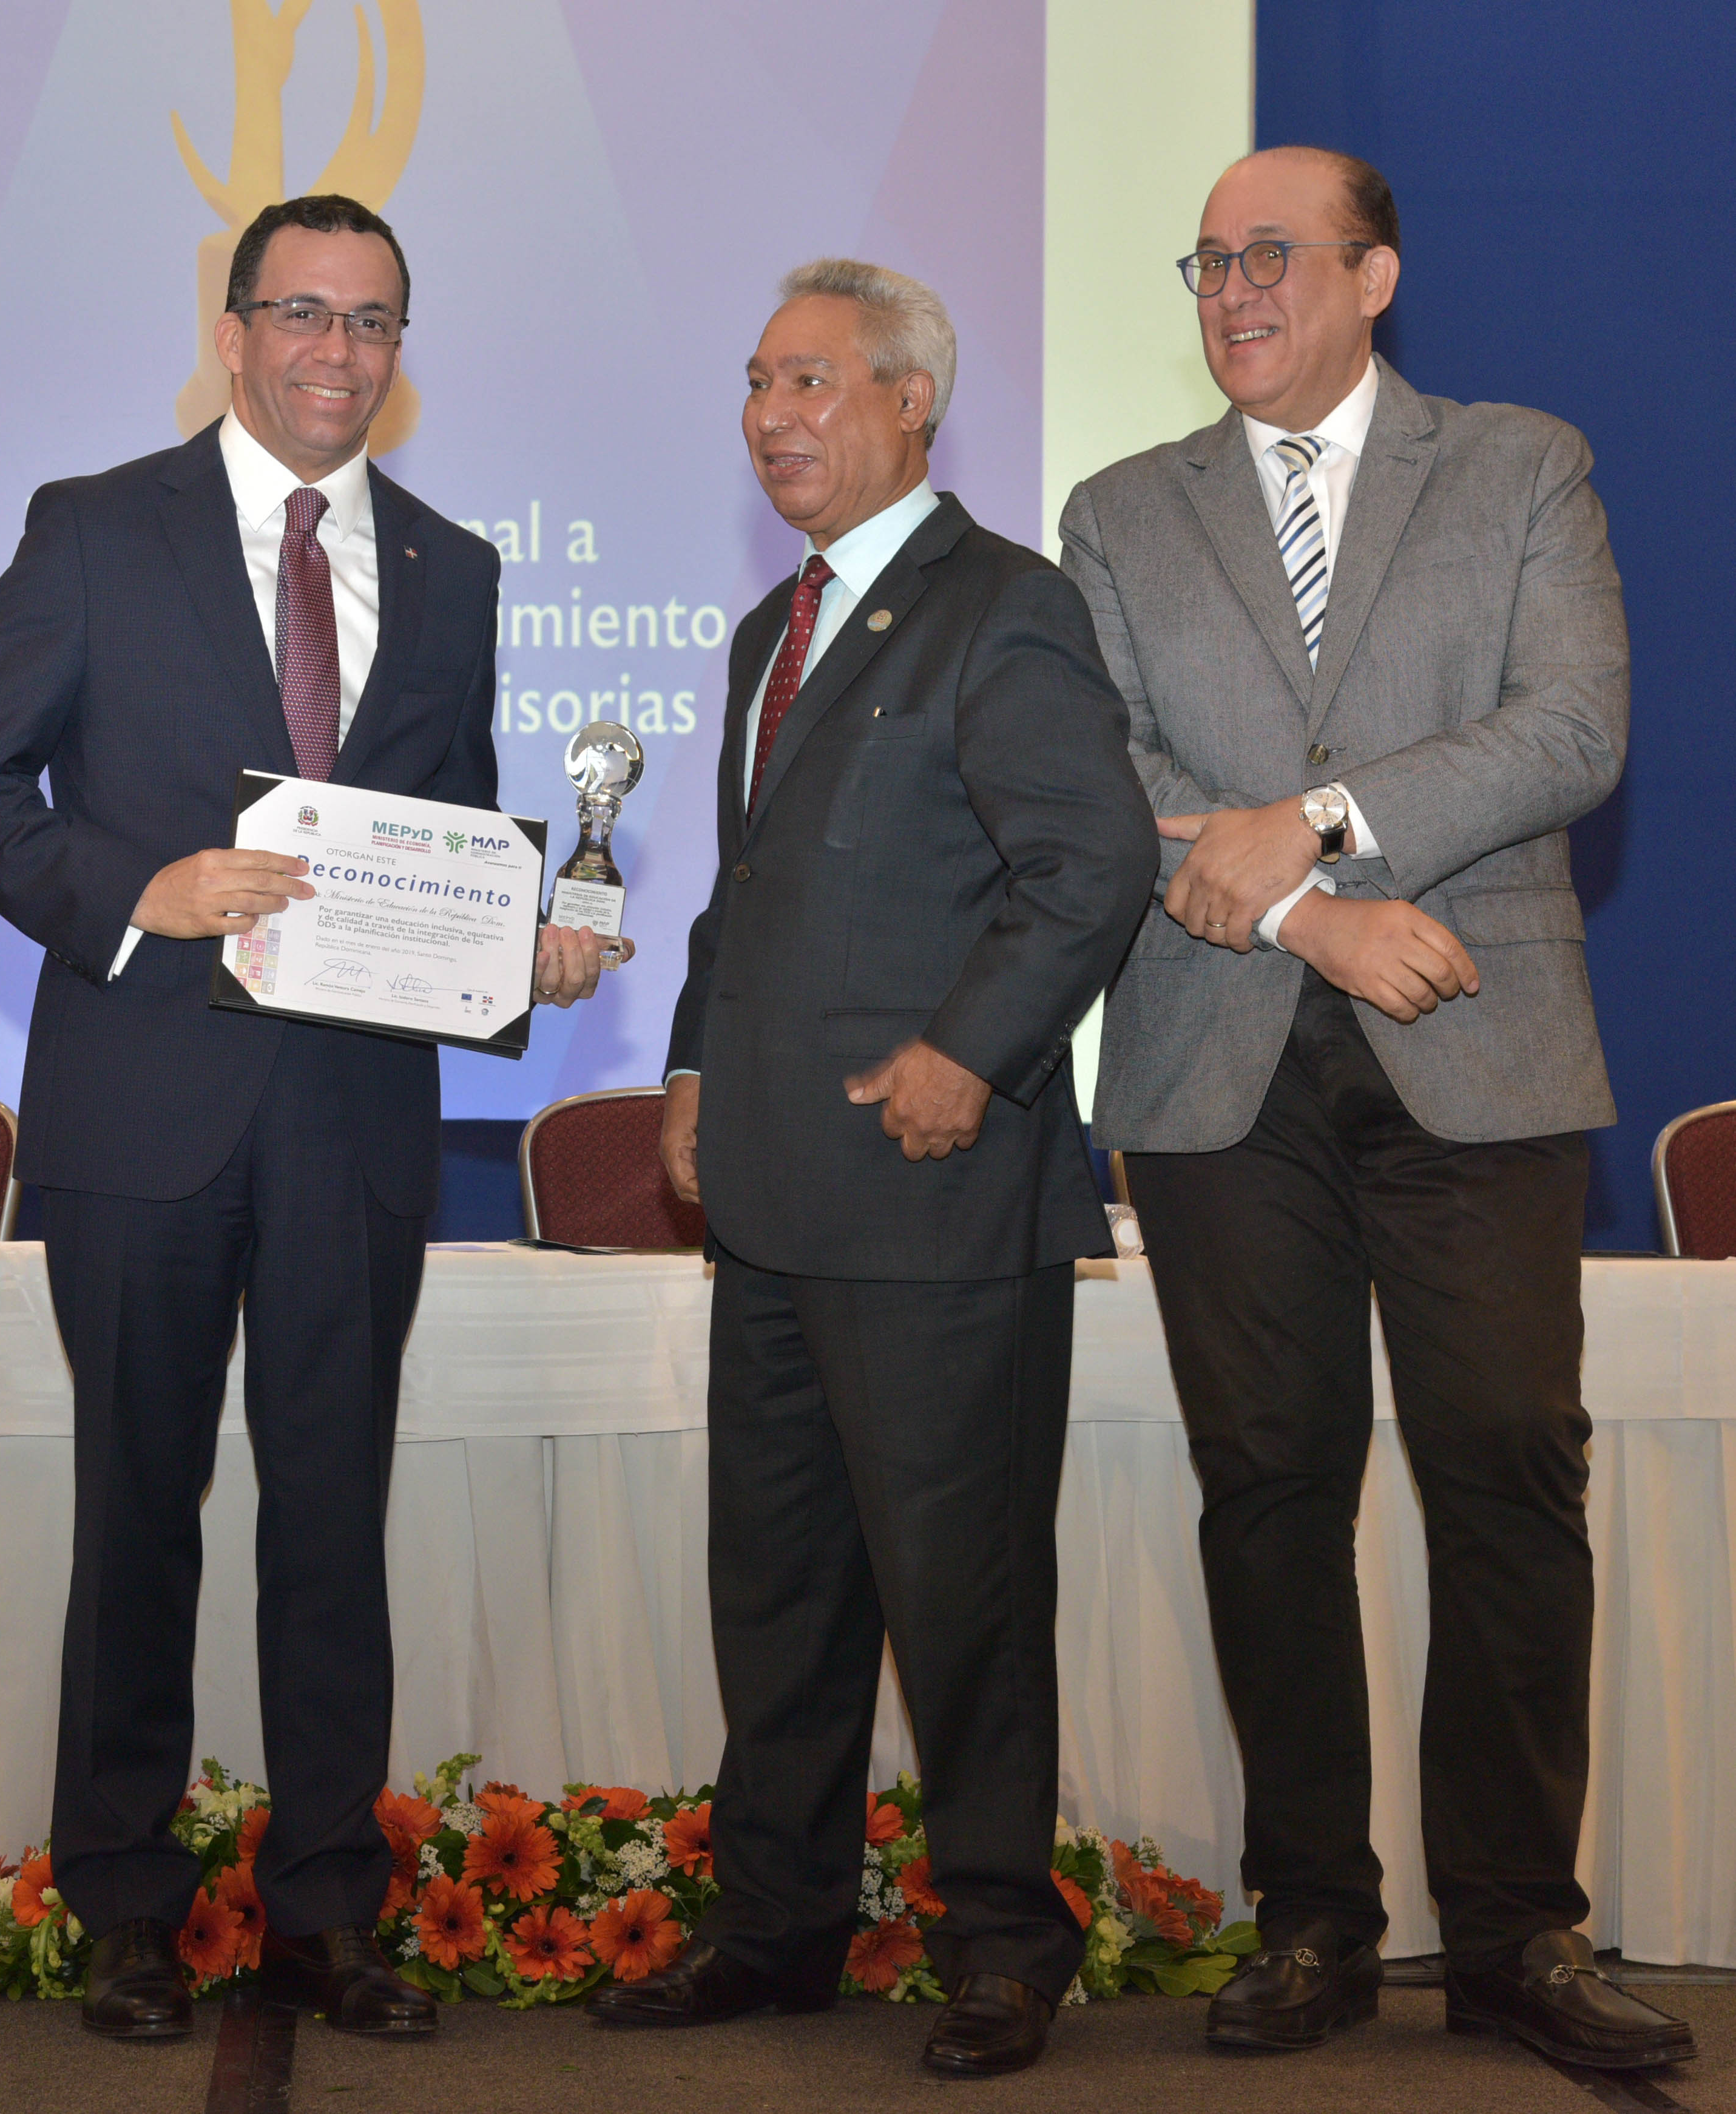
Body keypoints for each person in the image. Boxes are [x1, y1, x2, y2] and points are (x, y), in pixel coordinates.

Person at [0, 193, 614, 2045]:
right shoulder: (93, 527)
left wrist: (519, 950)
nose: (334, 351)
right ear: (230, 335)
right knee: (135, 1516)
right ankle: (123, 1902)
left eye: (370, 321)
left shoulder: (454, 568)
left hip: (354, 1124)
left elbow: (447, 841)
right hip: (138, 1109)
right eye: (301, 313)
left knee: (330, 1527)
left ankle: (327, 1910)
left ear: (400, 351)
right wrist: (131, 892)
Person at [1059, 147, 1692, 2070]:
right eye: (1204, 261)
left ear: (1373, 274)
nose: (1231, 288)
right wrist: (1310, 913)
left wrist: (1321, 822)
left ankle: (1513, 1931)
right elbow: (1101, 775)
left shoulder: (1517, 465)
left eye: (1270, 253)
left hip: (1474, 1036)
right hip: (1217, 1054)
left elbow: (1571, 728)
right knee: (1269, 1482)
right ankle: (1312, 1918)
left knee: (1506, 1459)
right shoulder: (1118, 511)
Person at [594, 262, 1155, 2078]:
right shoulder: (772, 629)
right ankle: (774, 1930)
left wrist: (967, 1053)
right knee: (780, 1597)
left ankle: (1003, 1943)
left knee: (961, 1595)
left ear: (915, 402)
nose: (772, 416)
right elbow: (744, 893)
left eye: (813, 382)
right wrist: (691, 1065)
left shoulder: (1007, 606)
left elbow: (1091, 863)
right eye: (758, 382)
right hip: (769, 1199)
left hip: (934, 1198)